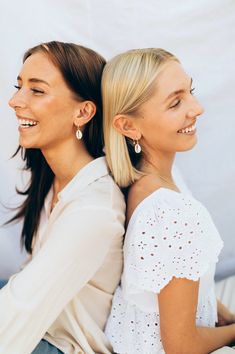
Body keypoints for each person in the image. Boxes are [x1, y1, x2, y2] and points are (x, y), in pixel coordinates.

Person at [101, 48, 235, 354]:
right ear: (128, 126)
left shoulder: (143, 184)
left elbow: (169, 285)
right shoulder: (173, 212)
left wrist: (224, 316)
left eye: (190, 92)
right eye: (175, 102)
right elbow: (182, 347)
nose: (197, 108)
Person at [0, 41, 125, 354]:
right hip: (40, 326)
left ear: (83, 112)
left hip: (61, 344)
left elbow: (21, 306)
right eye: (19, 87)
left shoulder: (94, 210)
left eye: (37, 90)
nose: (15, 101)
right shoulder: (55, 178)